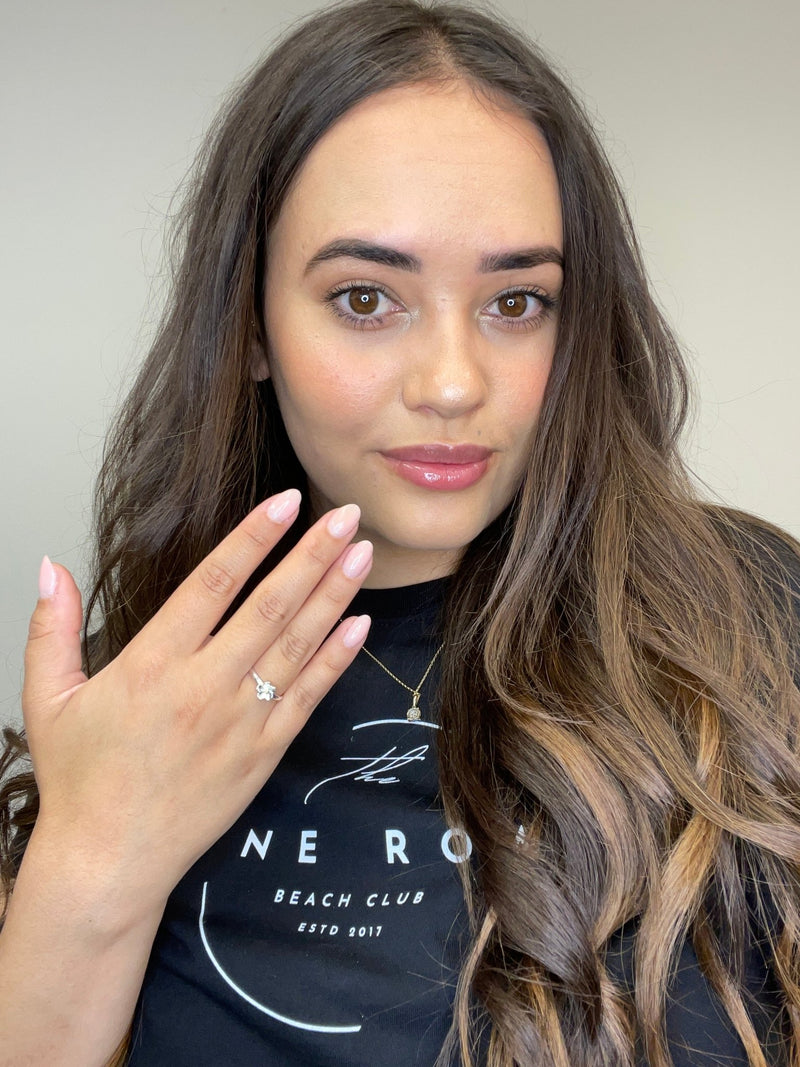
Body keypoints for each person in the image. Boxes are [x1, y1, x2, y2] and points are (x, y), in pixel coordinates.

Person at [1, 1, 798, 1064]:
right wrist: (88, 860)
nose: (453, 383)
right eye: (366, 296)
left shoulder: (748, 616)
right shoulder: (156, 693)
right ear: (250, 328)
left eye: (517, 301)